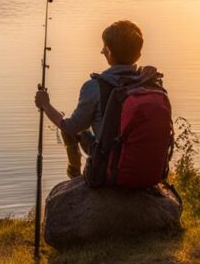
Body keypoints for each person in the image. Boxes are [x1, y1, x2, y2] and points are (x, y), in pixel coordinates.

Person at [34, 20, 149, 178]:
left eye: (104, 47)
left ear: (109, 52)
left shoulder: (95, 87)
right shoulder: (151, 84)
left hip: (111, 167)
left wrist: (45, 105)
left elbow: (70, 127)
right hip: (144, 169)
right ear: (138, 54)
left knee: (70, 123)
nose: (101, 51)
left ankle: (74, 174)